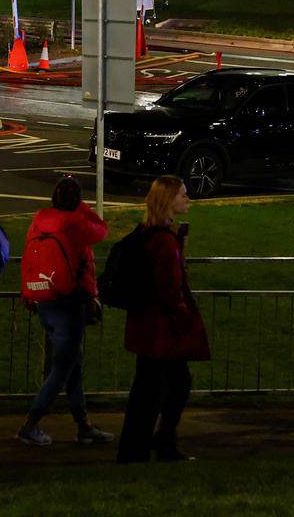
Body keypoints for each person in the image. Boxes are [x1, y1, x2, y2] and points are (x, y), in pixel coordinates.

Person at [116, 175, 209, 463]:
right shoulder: (164, 242)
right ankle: (150, 446)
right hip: (162, 331)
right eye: (182, 195)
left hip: (146, 326)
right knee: (163, 388)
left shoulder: (146, 233)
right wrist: (184, 317)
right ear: (169, 200)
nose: (187, 199)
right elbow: (169, 288)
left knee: (153, 388)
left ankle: (147, 445)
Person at [17, 175, 113, 447]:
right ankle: (30, 424)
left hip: (45, 300)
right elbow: (101, 230)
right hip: (70, 304)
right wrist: (82, 208)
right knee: (62, 369)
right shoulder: (77, 223)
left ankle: (83, 425)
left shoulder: (39, 220)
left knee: (72, 367)